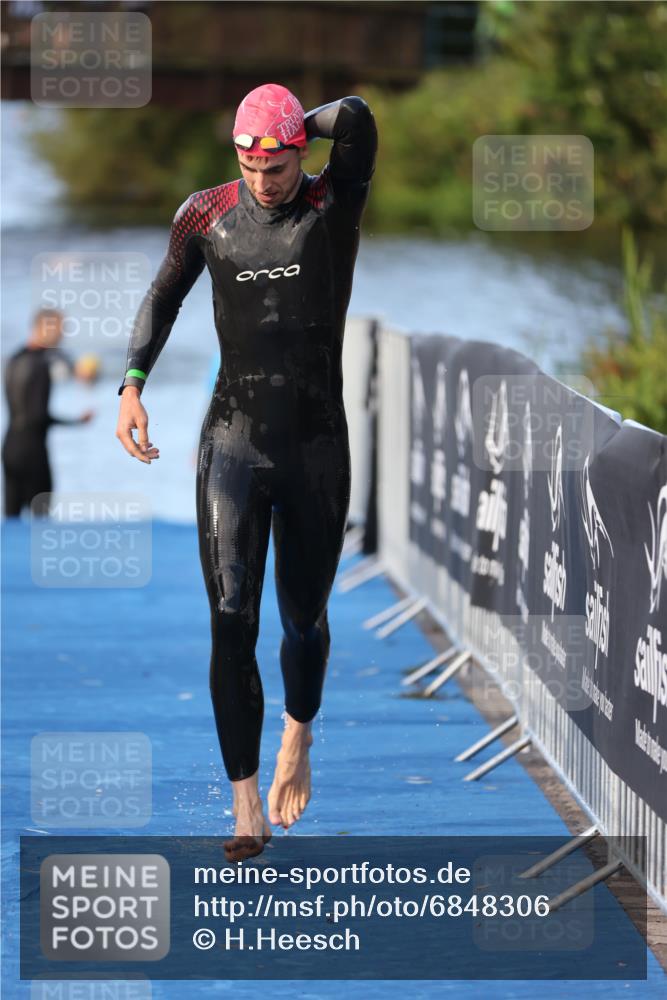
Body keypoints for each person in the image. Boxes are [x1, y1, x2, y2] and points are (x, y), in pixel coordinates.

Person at [116, 83, 378, 860]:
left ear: (301, 150)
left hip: (315, 448)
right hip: (230, 441)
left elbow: (357, 118)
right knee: (231, 618)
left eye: (279, 163)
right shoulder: (204, 215)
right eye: (251, 164)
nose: (265, 181)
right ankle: (242, 805)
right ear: (236, 156)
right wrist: (131, 384)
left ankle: (297, 736)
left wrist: (300, 118)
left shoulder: (334, 207)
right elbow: (160, 300)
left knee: (302, 618)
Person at [2, 308, 95, 517]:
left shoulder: (14, 359)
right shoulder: (41, 364)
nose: (62, 336)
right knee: (41, 520)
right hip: (32, 450)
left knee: (10, 520)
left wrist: (75, 369)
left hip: (9, 447)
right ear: (44, 329)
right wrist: (77, 422)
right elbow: (37, 417)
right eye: (59, 330)